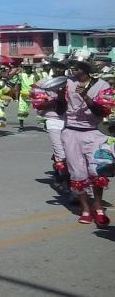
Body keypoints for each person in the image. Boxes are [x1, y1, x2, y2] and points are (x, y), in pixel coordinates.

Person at [60, 50, 114, 226]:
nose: (72, 69)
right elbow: (59, 109)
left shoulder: (102, 85)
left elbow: (102, 111)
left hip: (94, 132)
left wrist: (85, 96)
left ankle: (98, 206)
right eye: (72, 65)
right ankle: (85, 209)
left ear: (85, 68)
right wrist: (56, 96)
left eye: (76, 66)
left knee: (97, 170)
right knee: (77, 172)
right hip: (70, 132)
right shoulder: (66, 83)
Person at [30, 54, 70, 189]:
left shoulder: (72, 83)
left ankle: (60, 172)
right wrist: (56, 98)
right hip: (53, 119)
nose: (59, 69)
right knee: (60, 151)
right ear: (52, 67)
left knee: (70, 150)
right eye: (56, 66)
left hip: (71, 121)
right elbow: (38, 105)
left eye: (62, 66)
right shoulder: (43, 83)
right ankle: (65, 179)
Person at [14, 58, 39, 131]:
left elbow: (38, 81)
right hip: (23, 95)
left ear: (31, 68)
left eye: (29, 67)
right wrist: (16, 97)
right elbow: (18, 85)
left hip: (32, 94)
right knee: (21, 110)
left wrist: (34, 72)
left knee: (40, 109)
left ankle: (45, 125)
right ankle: (21, 126)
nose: (27, 69)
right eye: (26, 68)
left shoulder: (34, 75)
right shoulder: (21, 75)